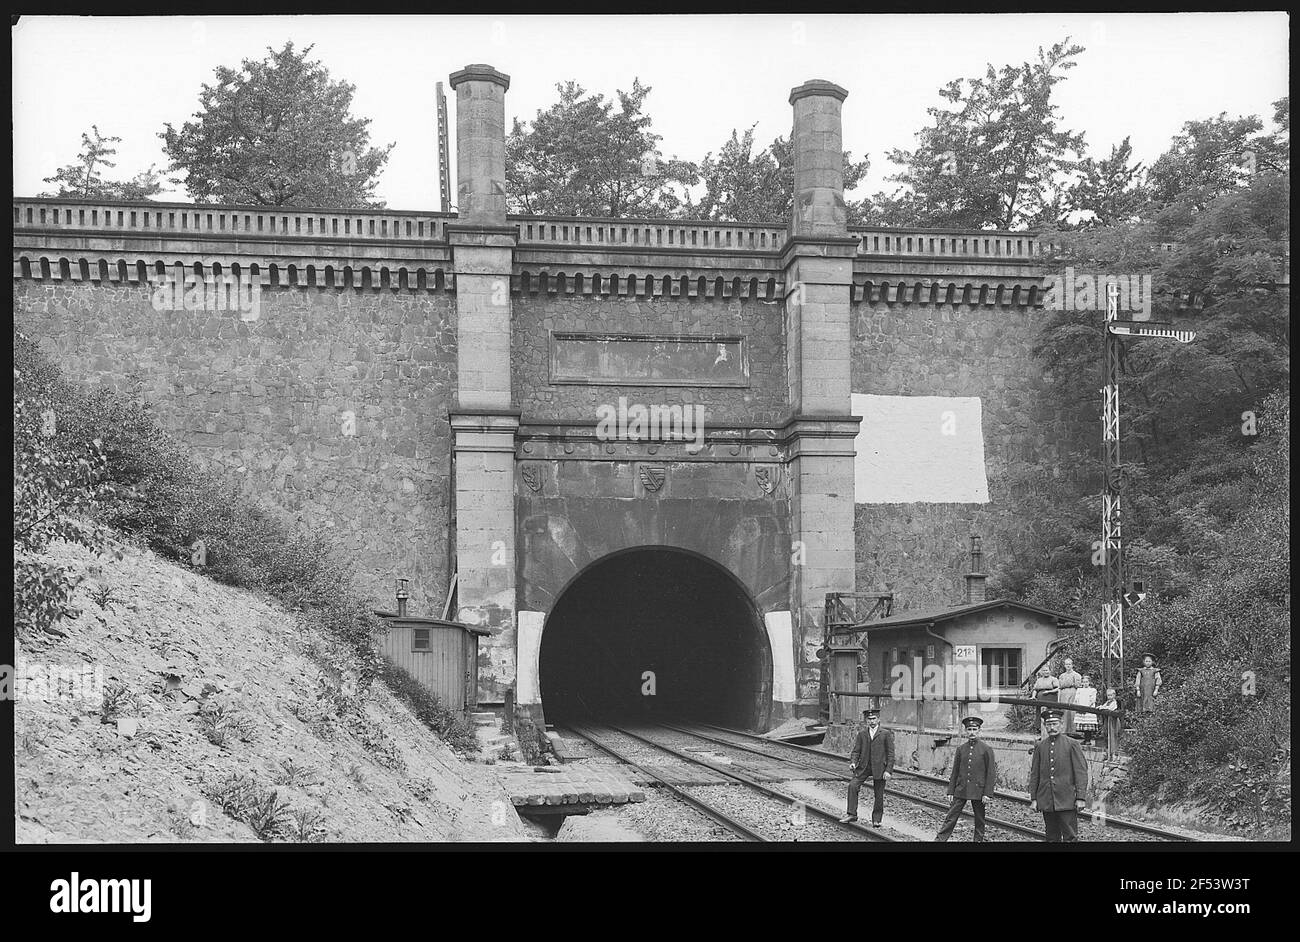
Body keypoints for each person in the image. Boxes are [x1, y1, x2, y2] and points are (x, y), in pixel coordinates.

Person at [1028, 709, 1089, 842]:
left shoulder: (1072, 744)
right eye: (1049, 724)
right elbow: (1035, 774)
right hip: (1047, 800)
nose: (1052, 727)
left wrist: (1081, 797)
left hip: (1067, 799)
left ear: (1061, 724)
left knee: (1070, 836)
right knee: (1051, 836)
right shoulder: (1040, 746)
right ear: (1044, 726)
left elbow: (1081, 773)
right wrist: (1034, 798)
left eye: (1055, 724)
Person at [934, 715, 997, 842]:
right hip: (961, 788)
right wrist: (951, 790)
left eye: (974, 729)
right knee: (951, 817)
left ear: (979, 730)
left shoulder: (986, 749)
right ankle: (940, 840)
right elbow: (955, 771)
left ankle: (977, 841)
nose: (972, 732)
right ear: (965, 731)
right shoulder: (961, 749)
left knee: (979, 819)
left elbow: (991, 773)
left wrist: (987, 793)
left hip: (979, 790)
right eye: (969, 729)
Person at [842, 708, 894, 826]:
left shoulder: (885, 734)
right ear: (866, 720)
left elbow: (891, 754)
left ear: (878, 719)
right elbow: (856, 751)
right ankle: (852, 814)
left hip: (880, 768)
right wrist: (853, 762)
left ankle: (876, 819)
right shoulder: (862, 734)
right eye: (869, 719)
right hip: (864, 767)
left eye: (874, 718)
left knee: (879, 794)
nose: (872, 721)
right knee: (852, 786)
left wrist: (888, 770)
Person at [1057, 658, 1082, 736]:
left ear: (1072, 665)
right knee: (1064, 712)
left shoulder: (1076, 675)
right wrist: (1069, 683)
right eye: (1066, 664)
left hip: (1073, 693)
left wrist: (1071, 684)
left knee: (1072, 712)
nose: (1068, 666)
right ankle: (1064, 730)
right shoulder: (1062, 675)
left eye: (1069, 664)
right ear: (1064, 665)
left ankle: (1074, 732)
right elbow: (1060, 685)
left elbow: (1078, 685)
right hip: (1064, 694)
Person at [1031, 667, 1059, 735]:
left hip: (1051, 698)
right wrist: (1033, 696)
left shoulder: (1053, 679)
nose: (1045, 672)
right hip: (1041, 698)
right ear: (1041, 672)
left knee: (1050, 712)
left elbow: (1058, 688)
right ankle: (1040, 728)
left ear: (1050, 671)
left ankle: (1052, 728)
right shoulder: (1039, 680)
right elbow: (1035, 689)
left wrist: (1049, 692)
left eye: (1047, 670)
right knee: (1040, 712)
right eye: (1044, 670)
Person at [1074, 675, 1099, 746]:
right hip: (1081, 708)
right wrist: (1079, 707)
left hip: (1088, 709)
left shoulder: (1092, 690)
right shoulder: (1079, 690)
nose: (1085, 683)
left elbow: (1092, 700)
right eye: (1084, 682)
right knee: (1083, 725)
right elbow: (1077, 699)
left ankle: (1088, 740)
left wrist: (1087, 707)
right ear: (1082, 683)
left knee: (1088, 724)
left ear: (1089, 682)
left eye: (1087, 682)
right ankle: (1085, 739)